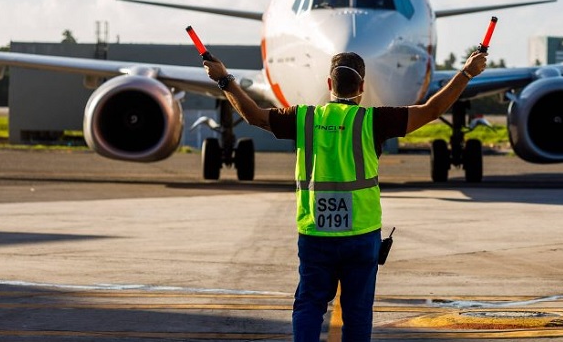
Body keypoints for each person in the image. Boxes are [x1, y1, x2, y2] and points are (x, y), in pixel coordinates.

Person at [203, 50, 487, 341]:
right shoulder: (373, 120)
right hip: (361, 236)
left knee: (309, 305)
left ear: (329, 84)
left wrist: (224, 79)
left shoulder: (304, 118)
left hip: (315, 233)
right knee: (358, 311)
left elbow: (254, 115)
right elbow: (431, 109)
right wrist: (466, 73)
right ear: (362, 87)